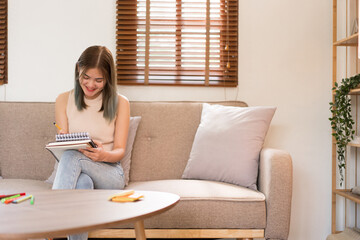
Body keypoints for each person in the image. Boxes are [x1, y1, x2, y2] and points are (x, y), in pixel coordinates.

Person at [52, 45, 130, 240]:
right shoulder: (63, 100)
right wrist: (67, 144)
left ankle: (48, 224)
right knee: (82, 183)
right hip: (76, 172)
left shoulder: (121, 103)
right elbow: (64, 143)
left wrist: (104, 155)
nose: (90, 85)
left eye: (99, 80)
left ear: (108, 79)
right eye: (85, 77)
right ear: (78, 69)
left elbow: (120, 150)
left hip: (110, 172)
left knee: (72, 156)